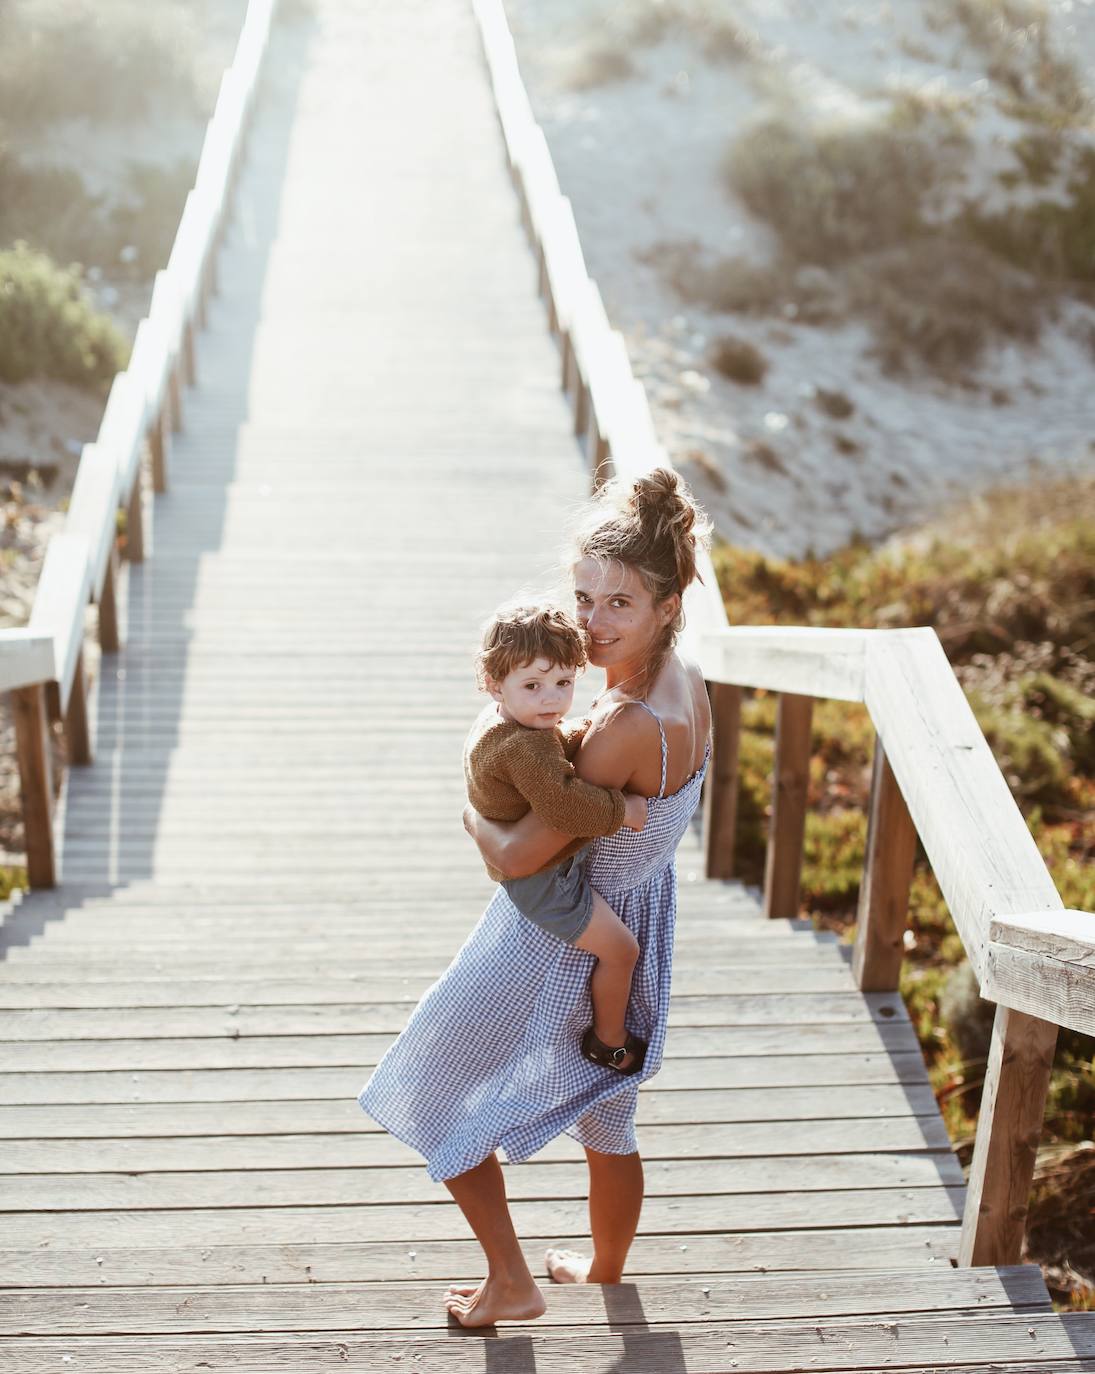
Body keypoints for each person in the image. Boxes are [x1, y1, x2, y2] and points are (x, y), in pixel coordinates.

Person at [358, 466, 712, 1328]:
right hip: (640, 925)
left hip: (556, 936)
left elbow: (521, 857)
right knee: (609, 1115)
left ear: (666, 605)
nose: (590, 623)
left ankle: (511, 1283)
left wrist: (471, 820)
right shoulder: (686, 686)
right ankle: (603, 1268)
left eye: (618, 605)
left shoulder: (624, 728)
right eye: (583, 598)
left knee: (432, 1085)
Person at [466, 601, 651, 1074]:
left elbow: (544, 755)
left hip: (522, 856)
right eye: (533, 686)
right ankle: (607, 1040)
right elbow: (565, 805)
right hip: (542, 881)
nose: (551, 700)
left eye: (564, 684)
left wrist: (575, 733)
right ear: (493, 683)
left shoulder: (508, 720)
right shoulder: (524, 745)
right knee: (621, 950)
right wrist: (623, 809)